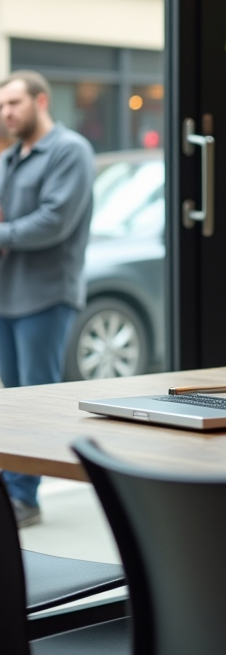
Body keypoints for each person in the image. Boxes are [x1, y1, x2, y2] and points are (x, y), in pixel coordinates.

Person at [0, 71, 95, 528]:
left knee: (33, 399)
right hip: (7, 296)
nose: (7, 113)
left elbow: (53, 221)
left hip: (46, 295)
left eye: (15, 103)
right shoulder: (12, 157)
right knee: (11, 402)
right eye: (2, 106)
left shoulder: (69, 150)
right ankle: (12, 489)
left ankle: (25, 498)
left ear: (41, 101)